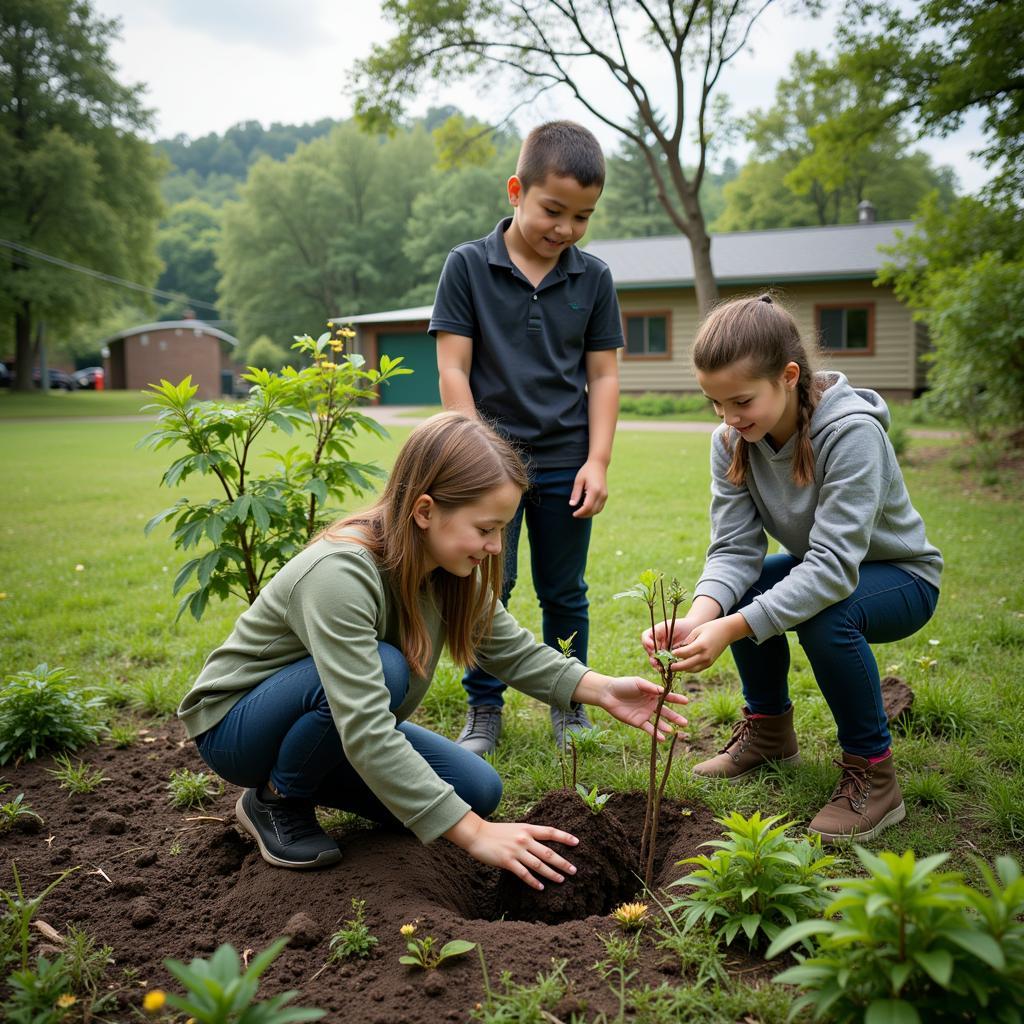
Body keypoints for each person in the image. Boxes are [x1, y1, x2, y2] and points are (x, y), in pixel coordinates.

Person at [179, 413, 686, 885]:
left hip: (334, 719)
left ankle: (306, 775)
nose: (494, 546)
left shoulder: (448, 571)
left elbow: (512, 651)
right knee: (388, 671)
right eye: (485, 529)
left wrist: (601, 691)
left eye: (501, 530)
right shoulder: (341, 573)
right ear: (425, 510)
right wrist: (475, 836)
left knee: (476, 794)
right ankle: (276, 798)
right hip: (236, 727)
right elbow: (365, 724)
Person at [643, 295, 942, 843]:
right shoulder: (731, 440)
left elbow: (831, 569)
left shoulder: (852, 432)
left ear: (788, 376)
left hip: (902, 578)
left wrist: (733, 628)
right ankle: (769, 734)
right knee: (747, 592)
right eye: (715, 403)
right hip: (828, 572)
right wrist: (702, 616)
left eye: (741, 401)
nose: (729, 419)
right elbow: (735, 549)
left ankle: (873, 775)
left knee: (826, 617)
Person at [431, 120, 624, 756]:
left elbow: (602, 374)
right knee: (488, 587)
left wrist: (597, 461)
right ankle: (484, 708)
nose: (565, 228)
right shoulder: (467, 266)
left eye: (582, 216)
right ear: (516, 190)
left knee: (564, 590)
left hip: (567, 459)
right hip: (491, 464)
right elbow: (453, 367)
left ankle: (569, 704)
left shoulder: (592, 279)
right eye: (553, 209)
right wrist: (475, 455)